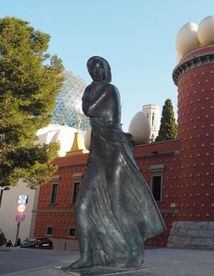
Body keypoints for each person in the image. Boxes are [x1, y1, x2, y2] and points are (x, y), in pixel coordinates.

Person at [64, 57, 165, 270]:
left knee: (118, 206)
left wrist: (87, 92)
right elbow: (86, 109)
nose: (95, 70)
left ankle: (135, 252)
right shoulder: (92, 89)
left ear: (107, 69)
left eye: (99, 66)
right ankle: (87, 257)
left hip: (115, 151)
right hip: (98, 155)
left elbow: (88, 108)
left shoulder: (109, 90)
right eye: (91, 68)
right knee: (82, 206)